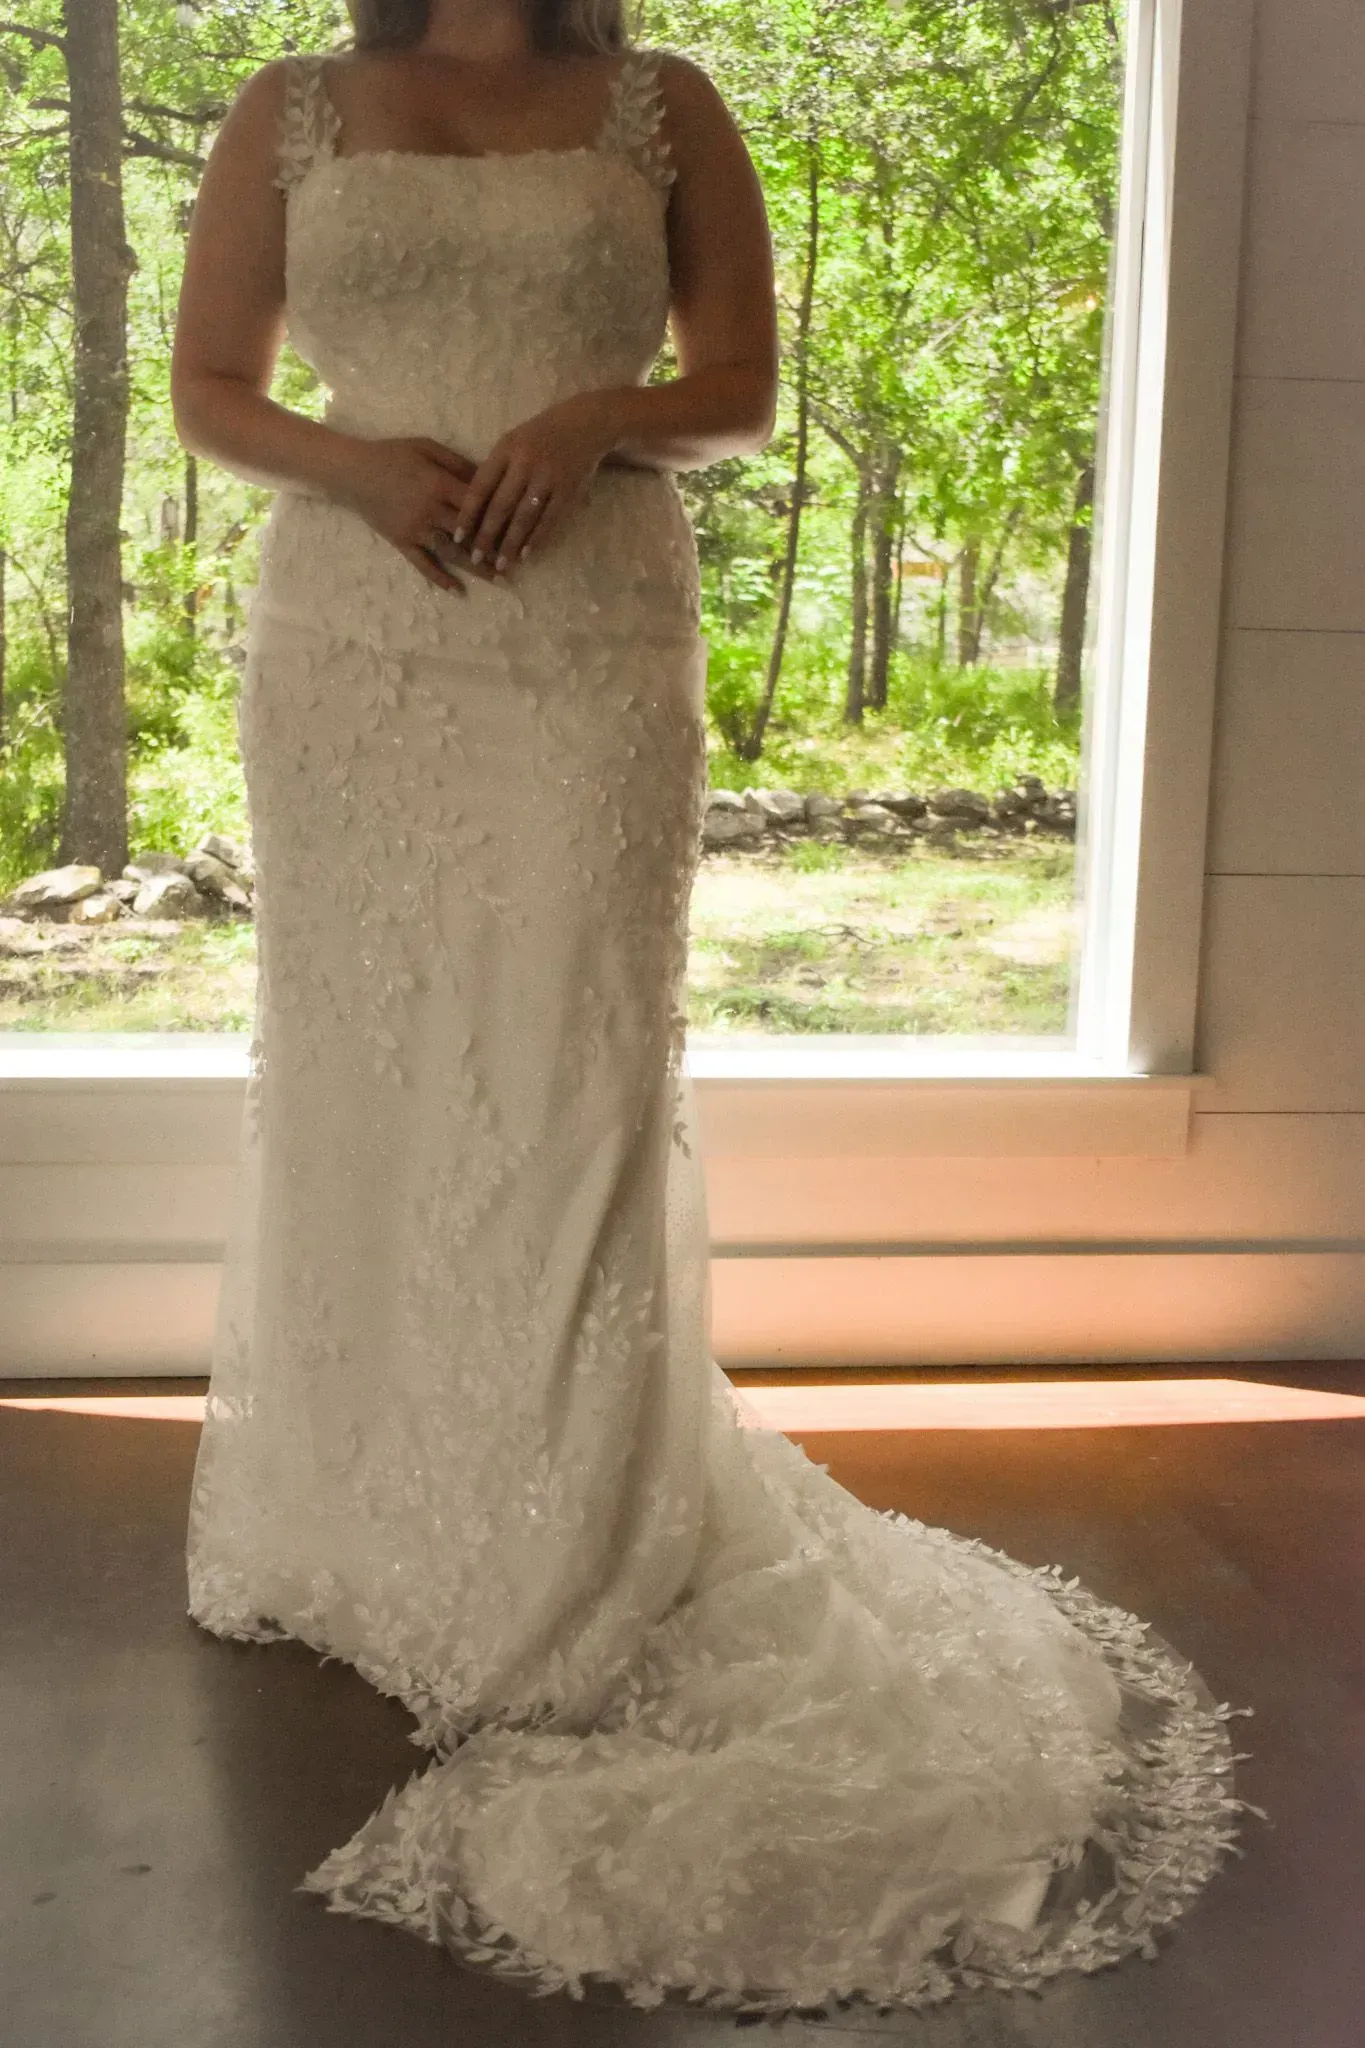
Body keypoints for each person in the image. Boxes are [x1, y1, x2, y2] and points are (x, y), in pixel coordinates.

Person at [173, 0, 1247, 2016]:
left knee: (575, 1073)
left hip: (589, 632)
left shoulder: (663, 106)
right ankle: (356, 1517)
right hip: (355, 640)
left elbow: (740, 394)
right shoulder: (287, 109)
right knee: (362, 1075)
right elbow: (209, 391)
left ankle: (560, 1559)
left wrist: (600, 416)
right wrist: (363, 469)